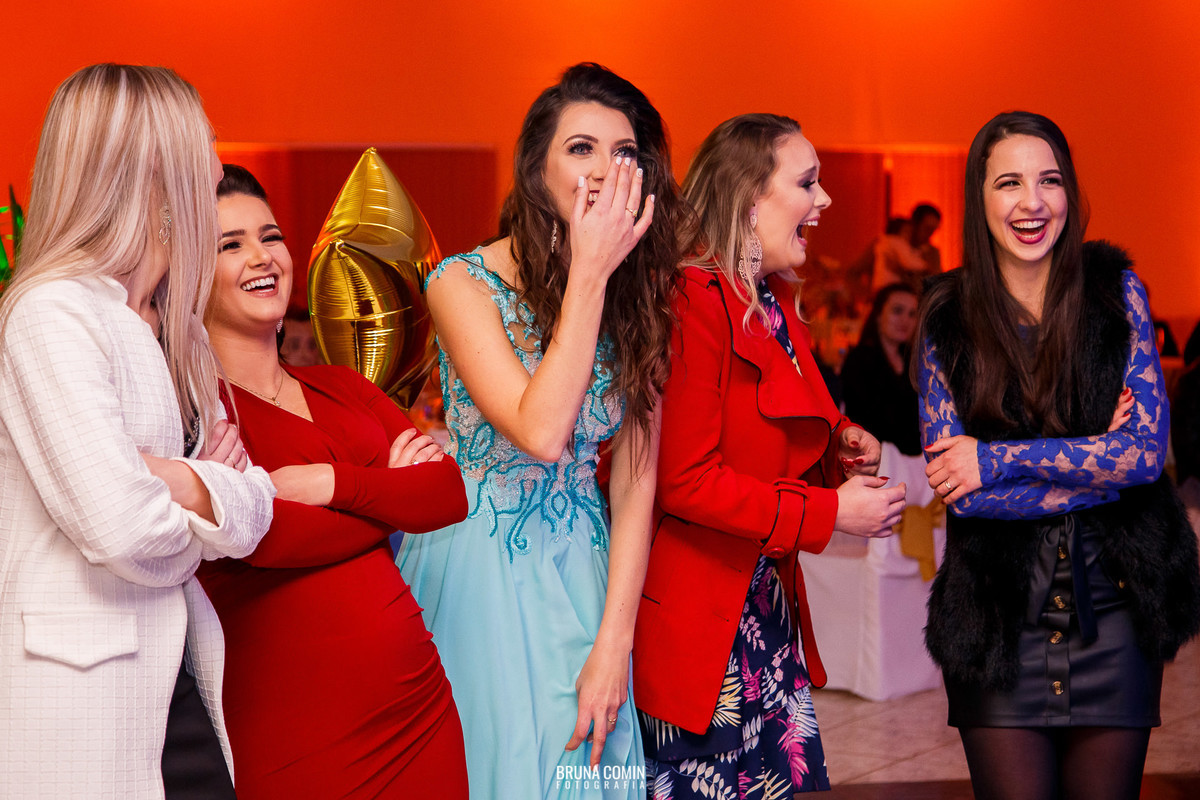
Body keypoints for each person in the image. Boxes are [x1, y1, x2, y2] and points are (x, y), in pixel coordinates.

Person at [396, 62, 684, 798]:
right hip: (478, 565)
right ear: (537, 170)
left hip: (585, 563)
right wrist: (589, 274)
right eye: (581, 148)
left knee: (590, 763)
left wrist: (615, 640)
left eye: (625, 153)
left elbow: (636, 481)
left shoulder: (641, 297)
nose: (605, 170)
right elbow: (541, 430)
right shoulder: (460, 283)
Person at [0, 64, 275, 798]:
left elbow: (254, 508)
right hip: (81, 696)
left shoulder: (180, 327)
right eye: (204, 142)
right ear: (156, 167)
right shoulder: (50, 313)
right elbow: (120, 527)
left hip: (178, 675)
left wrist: (170, 476)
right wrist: (203, 495)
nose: (217, 165)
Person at [916, 111, 1200, 800]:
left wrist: (996, 458)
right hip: (997, 618)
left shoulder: (1116, 292)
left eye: (1049, 180)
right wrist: (1097, 461)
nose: (1032, 202)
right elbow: (963, 492)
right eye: (1009, 183)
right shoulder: (945, 314)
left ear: (1069, 190)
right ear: (979, 198)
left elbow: (1144, 456)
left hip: (1117, 609)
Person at [632, 113, 907, 797]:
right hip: (706, 619)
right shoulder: (693, 300)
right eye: (808, 183)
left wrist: (844, 445)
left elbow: (786, 433)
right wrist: (831, 512)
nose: (825, 200)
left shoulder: (770, 301)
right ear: (751, 198)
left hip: (761, 603)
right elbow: (686, 483)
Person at [196, 165, 470, 798]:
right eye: (230, 244)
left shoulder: (343, 386)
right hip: (294, 733)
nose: (262, 257)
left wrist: (329, 483)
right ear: (189, 272)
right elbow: (266, 539)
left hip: (418, 716)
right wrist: (390, 495)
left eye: (270, 236)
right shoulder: (196, 414)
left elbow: (448, 495)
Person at [841, 283, 922, 455]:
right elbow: (862, 420)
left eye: (912, 314)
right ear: (878, 314)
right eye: (897, 311)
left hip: (914, 462)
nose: (905, 320)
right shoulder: (860, 360)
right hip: (873, 458)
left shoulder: (915, 362)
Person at [909, 202, 943, 277]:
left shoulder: (933, 253)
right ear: (915, 223)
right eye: (927, 228)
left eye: (933, 229)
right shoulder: (899, 246)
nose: (930, 233)